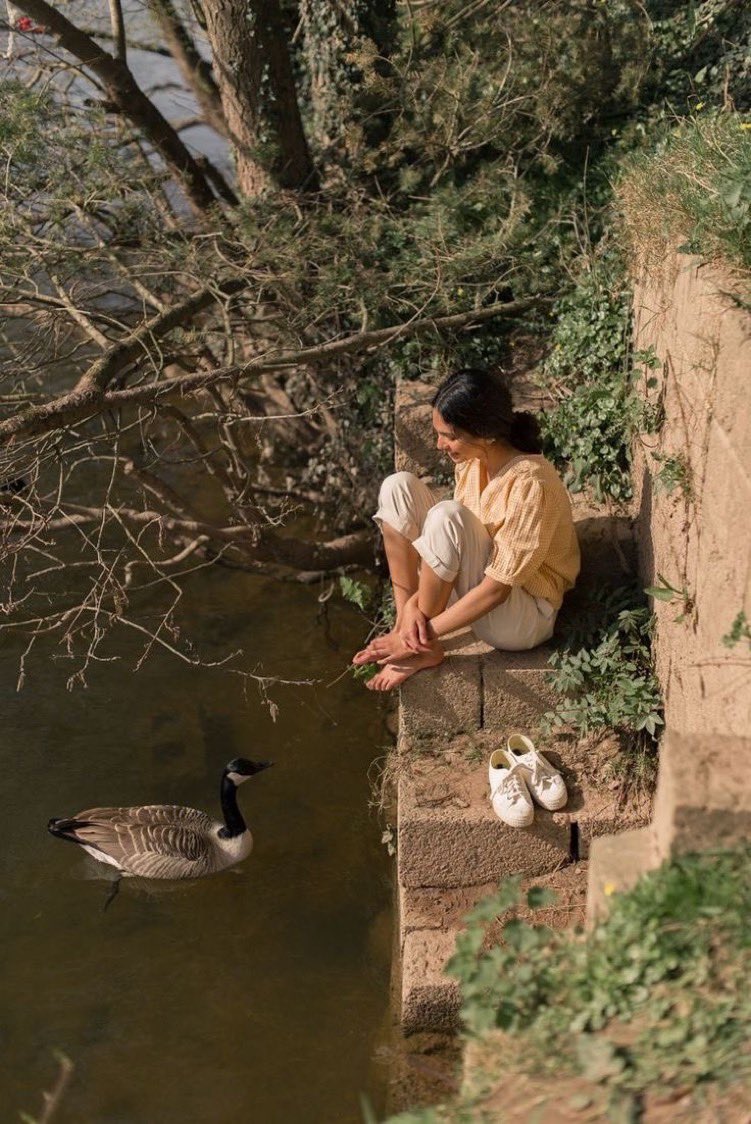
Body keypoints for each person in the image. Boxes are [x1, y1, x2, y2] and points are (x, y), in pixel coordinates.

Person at [352, 367, 580, 691]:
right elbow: (455, 553)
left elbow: (497, 589)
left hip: (521, 616)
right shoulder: (473, 462)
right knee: (397, 486)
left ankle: (417, 643)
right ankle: (406, 629)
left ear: (484, 433)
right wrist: (412, 608)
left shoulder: (531, 482)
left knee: (447, 516)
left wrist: (429, 627)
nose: (439, 444)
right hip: (476, 588)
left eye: (449, 435)